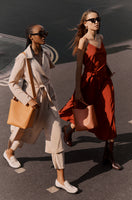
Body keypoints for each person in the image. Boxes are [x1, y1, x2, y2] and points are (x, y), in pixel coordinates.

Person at [3, 24, 78, 193]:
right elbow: (12, 83)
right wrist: (27, 99)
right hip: (32, 102)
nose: (44, 35)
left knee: (56, 137)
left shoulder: (44, 53)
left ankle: (61, 179)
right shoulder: (23, 58)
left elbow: (47, 73)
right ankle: (9, 152)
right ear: (31, 36)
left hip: (49, 101)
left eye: (45, 32)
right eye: (41, 33)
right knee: (22, 132)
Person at [59, 9, 122, 170]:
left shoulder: (101, 37)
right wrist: (78, 90)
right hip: (89, 82)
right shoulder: (83, 41)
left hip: (105, 81)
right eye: (92, 20)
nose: (96, 22)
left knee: (109, 114)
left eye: (98, 19)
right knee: (84, 117)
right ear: (85, 23)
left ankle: (109, 155)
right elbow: (79, 67)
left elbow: (102, 58)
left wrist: (107, 68)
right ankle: (68, 129)